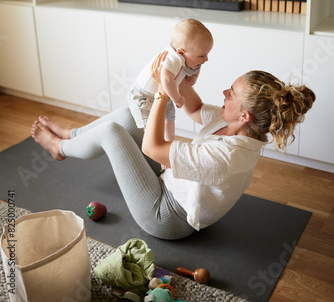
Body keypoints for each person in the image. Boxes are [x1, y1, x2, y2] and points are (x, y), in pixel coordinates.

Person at [31, 53, 315, 241]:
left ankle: (59, 148)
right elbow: (195, 108)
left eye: (232, 94)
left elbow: (153, 148)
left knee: (112, 133)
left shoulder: (228, 157)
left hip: (166, 217)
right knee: (128, 116)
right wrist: (182, 81)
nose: (225, 93)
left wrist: (162, 94)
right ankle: (71, 134)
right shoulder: (234, 124)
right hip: (171, 183)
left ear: (244, 116)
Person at [128, 19, 213, 141]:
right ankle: (153, 146)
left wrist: (194, 76)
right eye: (202, 55)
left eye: (206, 54)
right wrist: (177, 98)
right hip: (143, 96)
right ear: (180, 52)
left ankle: (169, 142)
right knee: (150, 127)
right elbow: (166, 80)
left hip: (165, 93)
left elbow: (198, 65)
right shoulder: (174, 58)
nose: (206, 59)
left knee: (170, 117)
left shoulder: (189, 56)